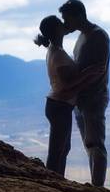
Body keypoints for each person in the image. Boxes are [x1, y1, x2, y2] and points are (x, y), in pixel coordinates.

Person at [34, 15, 104, 177]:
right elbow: (67, 84)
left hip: (59, 105)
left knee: (63, 147)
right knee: (58, 149)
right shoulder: (57, 54)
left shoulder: (55, 49)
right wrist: (90, 72)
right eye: (60, 24)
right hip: (60, 105)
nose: (64, 24)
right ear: (56, 30)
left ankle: (57, 179)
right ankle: (52, 182)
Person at [59, 0, 110, 187]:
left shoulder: (98, 36)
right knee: (90, 144)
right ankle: (97, 186)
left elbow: (99, 69)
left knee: (95, 143)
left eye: (67, 19)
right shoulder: (82, 36)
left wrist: (74, 87)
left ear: (78, 16)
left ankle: (98, 188)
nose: (65, 24)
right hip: (80, 98)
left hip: (93, 97)